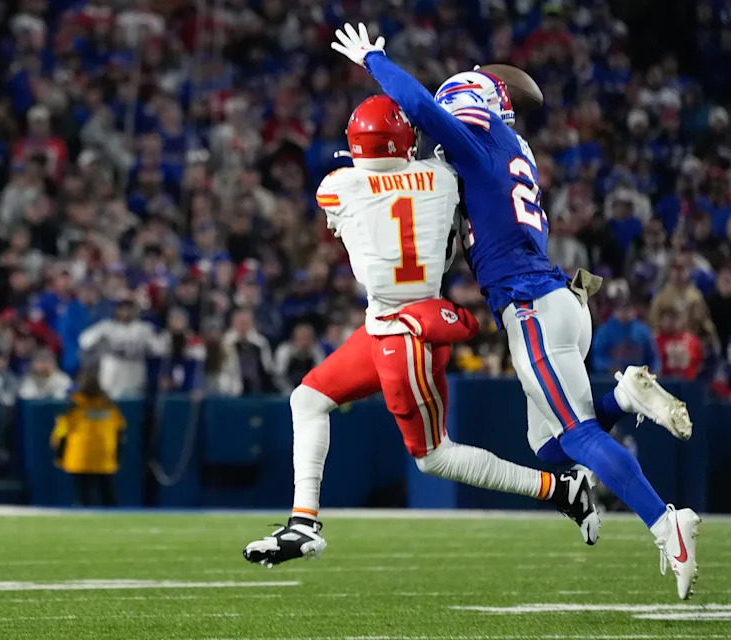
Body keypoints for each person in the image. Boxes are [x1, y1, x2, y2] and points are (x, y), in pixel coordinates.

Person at [331, 23, 698, 598]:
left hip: (530, 307)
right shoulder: (513, 148)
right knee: (547, 447)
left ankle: (664, 521)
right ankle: (624, 398)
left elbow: (421, 108)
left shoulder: (471, 143)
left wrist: (375, 59)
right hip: (563, 303)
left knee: (576, 436)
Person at [245, 95, 597, 569]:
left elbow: (350, 199)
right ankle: (303, 523)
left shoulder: (339, 186)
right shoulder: (444, 178)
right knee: (307, 399)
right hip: (399, 321)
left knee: (434, 457)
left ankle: (559, 489)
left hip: (404, 336)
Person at [50, 373, 126, 507]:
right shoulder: (109, 406)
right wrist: (118, 455)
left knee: (82, 498)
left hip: (80, 457)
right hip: (104, 457)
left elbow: (61, 431)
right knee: (108, 497)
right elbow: (120, 432)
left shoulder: (73, 405)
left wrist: (59, 455)